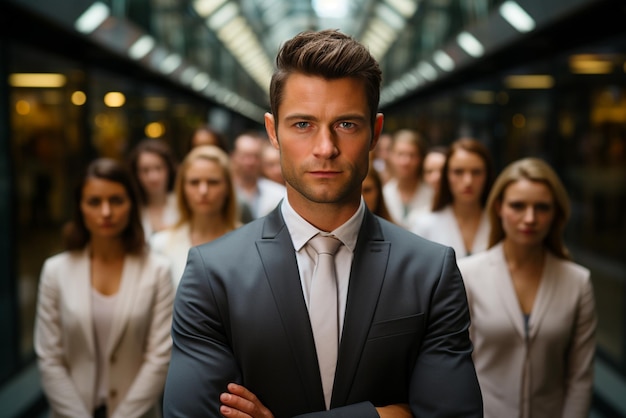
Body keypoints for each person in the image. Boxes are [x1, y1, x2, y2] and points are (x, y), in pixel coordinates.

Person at [163, 29, 482, 418]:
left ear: (375, 133)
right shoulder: (213, 274)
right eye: (303, 125)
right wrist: (389, 415)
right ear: (272, 132)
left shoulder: (431, 271)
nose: (325, 148)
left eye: (346, 124)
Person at [34, 158, 174, 418]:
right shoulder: (56, 271)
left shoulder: (157, 270)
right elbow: (49, 358)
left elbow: (159, 357)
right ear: (79, 207)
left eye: (117, 201)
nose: (106, 212)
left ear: (132, 204)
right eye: (94, 202)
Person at [458, 157, 597, 418]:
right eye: (518, 206)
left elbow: (580, 377)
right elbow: (457, 367)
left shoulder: (577, 282)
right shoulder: (468, 274)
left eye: (542, 207)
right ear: (499, 207)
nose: (530, 218)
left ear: (556, 212)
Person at [150, 145, 240, 288]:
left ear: (228, 188)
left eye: (213, 182)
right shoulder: (160, 244)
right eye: (194, 182)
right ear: (182, 188)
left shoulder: (248, 243)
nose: (203, 191)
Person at [412, 138, 494, 258]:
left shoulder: (501, 224)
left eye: (476, 172)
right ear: (446, 176)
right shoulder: (425, 224)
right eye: (458, 172)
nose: (468, 181)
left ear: (487, 175)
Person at [383, 129, 434, 229]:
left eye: (412, 155)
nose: (405, 162)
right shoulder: (385, 193)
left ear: (421, 159)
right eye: (400, 154)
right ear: (391, 157)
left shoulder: (432, 194)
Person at [127, 138, 179, 238]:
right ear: (136, 174)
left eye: (158, 168)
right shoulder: (131, 209)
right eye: (145, 170)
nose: (153, 177)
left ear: (169, 169)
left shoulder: (184, 204)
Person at [230, 130, 286, 221]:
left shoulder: (279, 194)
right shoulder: (223, 191)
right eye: (245, 156)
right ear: (233, 156)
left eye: (255, 156)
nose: (250, 162)